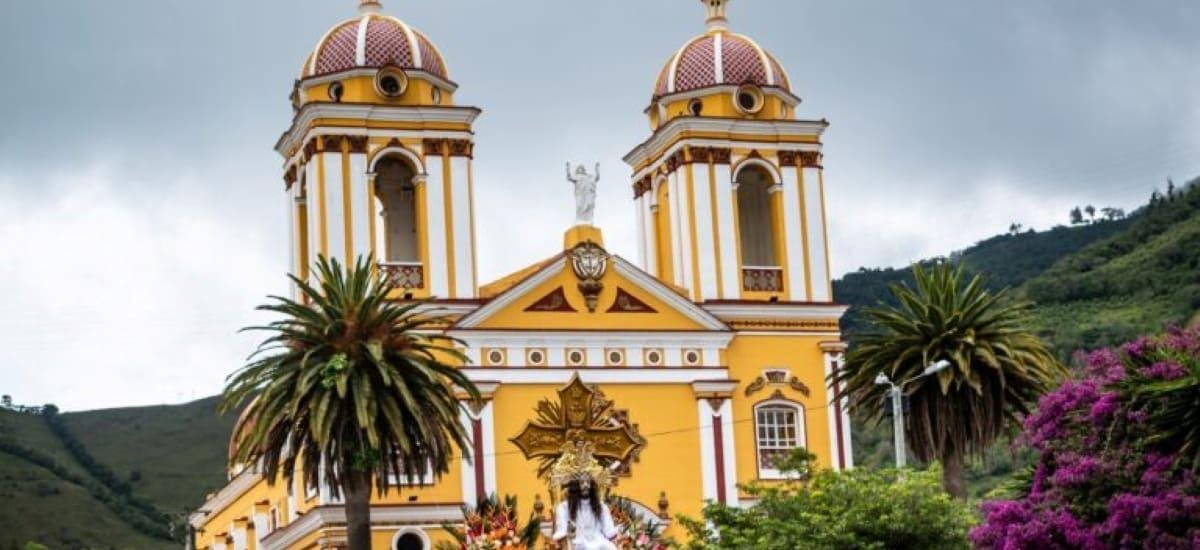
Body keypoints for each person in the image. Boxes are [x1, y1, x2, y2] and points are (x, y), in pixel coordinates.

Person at [551, 478, 618, 550]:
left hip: (599, 542)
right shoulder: (564, 507)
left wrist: (617, 530)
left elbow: (608, 529)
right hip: (577, 544)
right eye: (582, 482)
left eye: (588, 482)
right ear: (575, 486)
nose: (586, 485)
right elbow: (563, 530)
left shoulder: (601, 506)